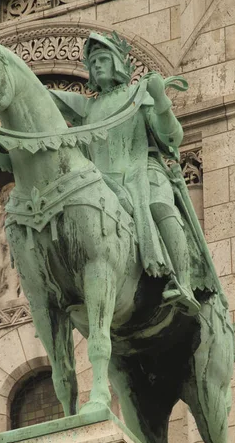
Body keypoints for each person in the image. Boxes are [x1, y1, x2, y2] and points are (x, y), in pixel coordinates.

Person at [50, 31, 200, 315]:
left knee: (160, 204)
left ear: (117, 63)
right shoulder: (87, 107)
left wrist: (159, 99)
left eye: (103, 59)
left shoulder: (137, 96)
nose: (97, 66)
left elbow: (172, 136)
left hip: (143, 170)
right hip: (102, 180)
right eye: (93, 62)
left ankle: (184, 282)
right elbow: (42, 98)